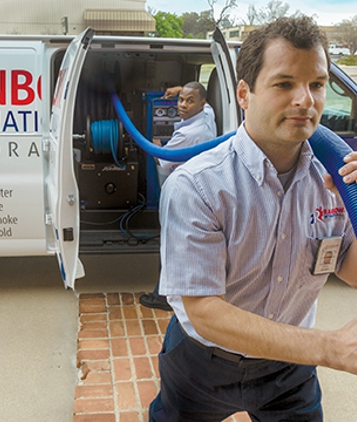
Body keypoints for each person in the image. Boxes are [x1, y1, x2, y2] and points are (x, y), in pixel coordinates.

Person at [149, 16, 357, 422]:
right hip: (201, 361)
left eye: (316, 84)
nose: (306, 100)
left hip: (289, 369)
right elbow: (205, 310)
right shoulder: (198, 185)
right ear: (244, 94)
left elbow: (351, 271)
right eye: (284, 84)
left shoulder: (337, 181)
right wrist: (329, 347)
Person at [139, 82, 217, 312]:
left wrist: (155, 146)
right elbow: (200, 98)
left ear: (200, 103)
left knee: (172, 242)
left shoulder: (189, 134)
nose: (182, 105)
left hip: (184, 192)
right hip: (199, 188)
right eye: (180, 99)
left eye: (189, 101)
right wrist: (180, 89)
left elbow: (162, 162)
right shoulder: (207, 114)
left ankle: (163, 296)